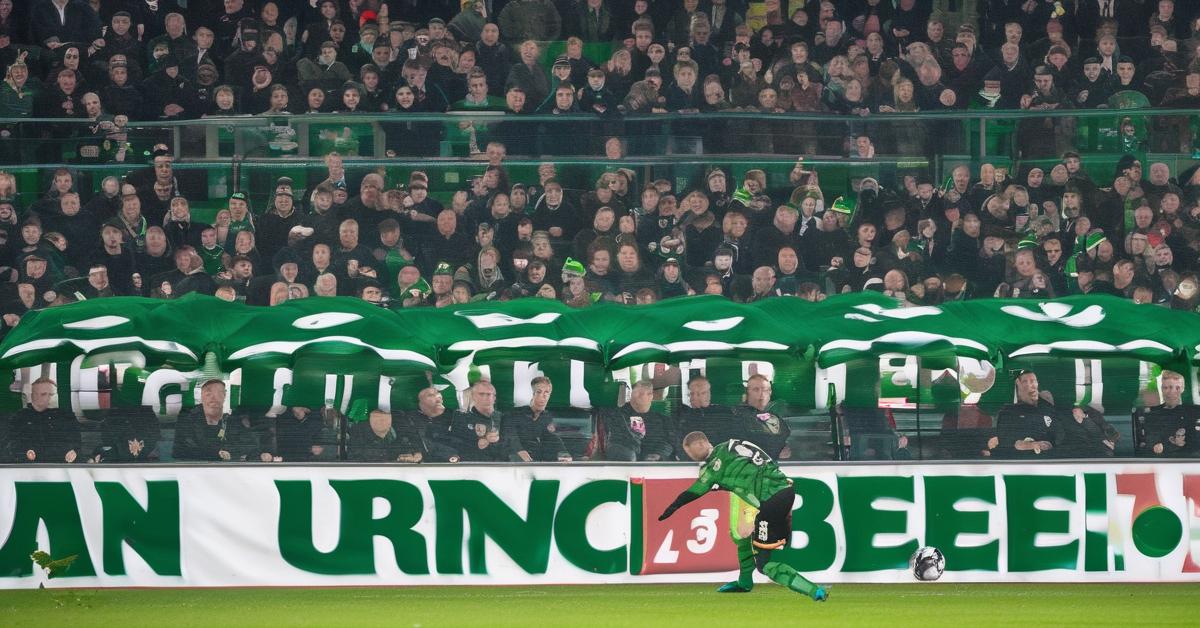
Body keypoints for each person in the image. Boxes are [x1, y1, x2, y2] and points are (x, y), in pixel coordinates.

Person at [659, 432, 828, 602]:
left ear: (702, 443)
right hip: (784, 490)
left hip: (771, 502)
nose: (690, 455)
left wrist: (674, 506)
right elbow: (760, 460)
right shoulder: (733, 444)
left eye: (689, 451)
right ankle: (744, 582)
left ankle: (815, 591)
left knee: (764, 565)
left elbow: (695, 491)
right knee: (745, 541)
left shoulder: (712, 469)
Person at [172, 379, 257, 462]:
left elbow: (250, 445)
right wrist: (216, 454)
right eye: (208, 394)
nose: (214, 398)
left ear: (224, 396)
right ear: (201, 396)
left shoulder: (231, 421)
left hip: (228, 469)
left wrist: (228, 452)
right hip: (194, 468)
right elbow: (180, 450)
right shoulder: (188, 419)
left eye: (219, 393)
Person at [987, 370, 1062, 458]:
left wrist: (1045, 444)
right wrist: (1029, 445)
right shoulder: (1007, 413)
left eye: (1034, 381)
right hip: (1017, 462)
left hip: (1049, 460)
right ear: (1018, 385)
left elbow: (1059, 437)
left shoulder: (1048, 408)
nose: (1032, 385)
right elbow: (1005, 443)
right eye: (1025, 382)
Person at [6, 377, 80, 464]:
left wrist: (74, 452)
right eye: (44, 394)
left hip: (62, 466)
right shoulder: (20, 418)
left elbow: (77, 443)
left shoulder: (67, 417)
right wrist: (25, 453)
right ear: (33, 396)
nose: (49, 398)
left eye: (52, 394)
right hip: (29, 467)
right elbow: (12, 444)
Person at [601, 380, 676, 461]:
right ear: (631, 394)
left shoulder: (663, 420)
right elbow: (615, 441)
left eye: (648, 393)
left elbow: (671, 442)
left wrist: (659, 455)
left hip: (655, 465)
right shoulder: (617, 415)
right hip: (625, 464)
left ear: (651, 396)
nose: (641, 397)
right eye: (639, 393)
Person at [503, 376, 571, 462]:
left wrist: (563, 452)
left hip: (537, 463)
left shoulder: (546, 417)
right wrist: (519, 450)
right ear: (532, 394)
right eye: (539, 392)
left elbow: (552, 437)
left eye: (547, 392)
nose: (544, 396)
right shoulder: (514, 414)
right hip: (514, 462)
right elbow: (510, 434)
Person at [1138, 370, 1200, 457]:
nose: (1171, 392)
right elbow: (1154, 446)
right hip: (1167, 461)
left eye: (1177, 388)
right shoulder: (1153, 414)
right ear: (1161, 389)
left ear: (1182, 389)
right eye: (1166, 388)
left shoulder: (1193, 411)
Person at [734, 374, 791, 459]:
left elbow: (787, 446)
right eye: (756, 390)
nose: (761, 394)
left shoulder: (777, 417)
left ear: (770, 392)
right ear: (748, 392)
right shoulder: (737, 416)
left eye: (765, 390)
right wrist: (775, 453)